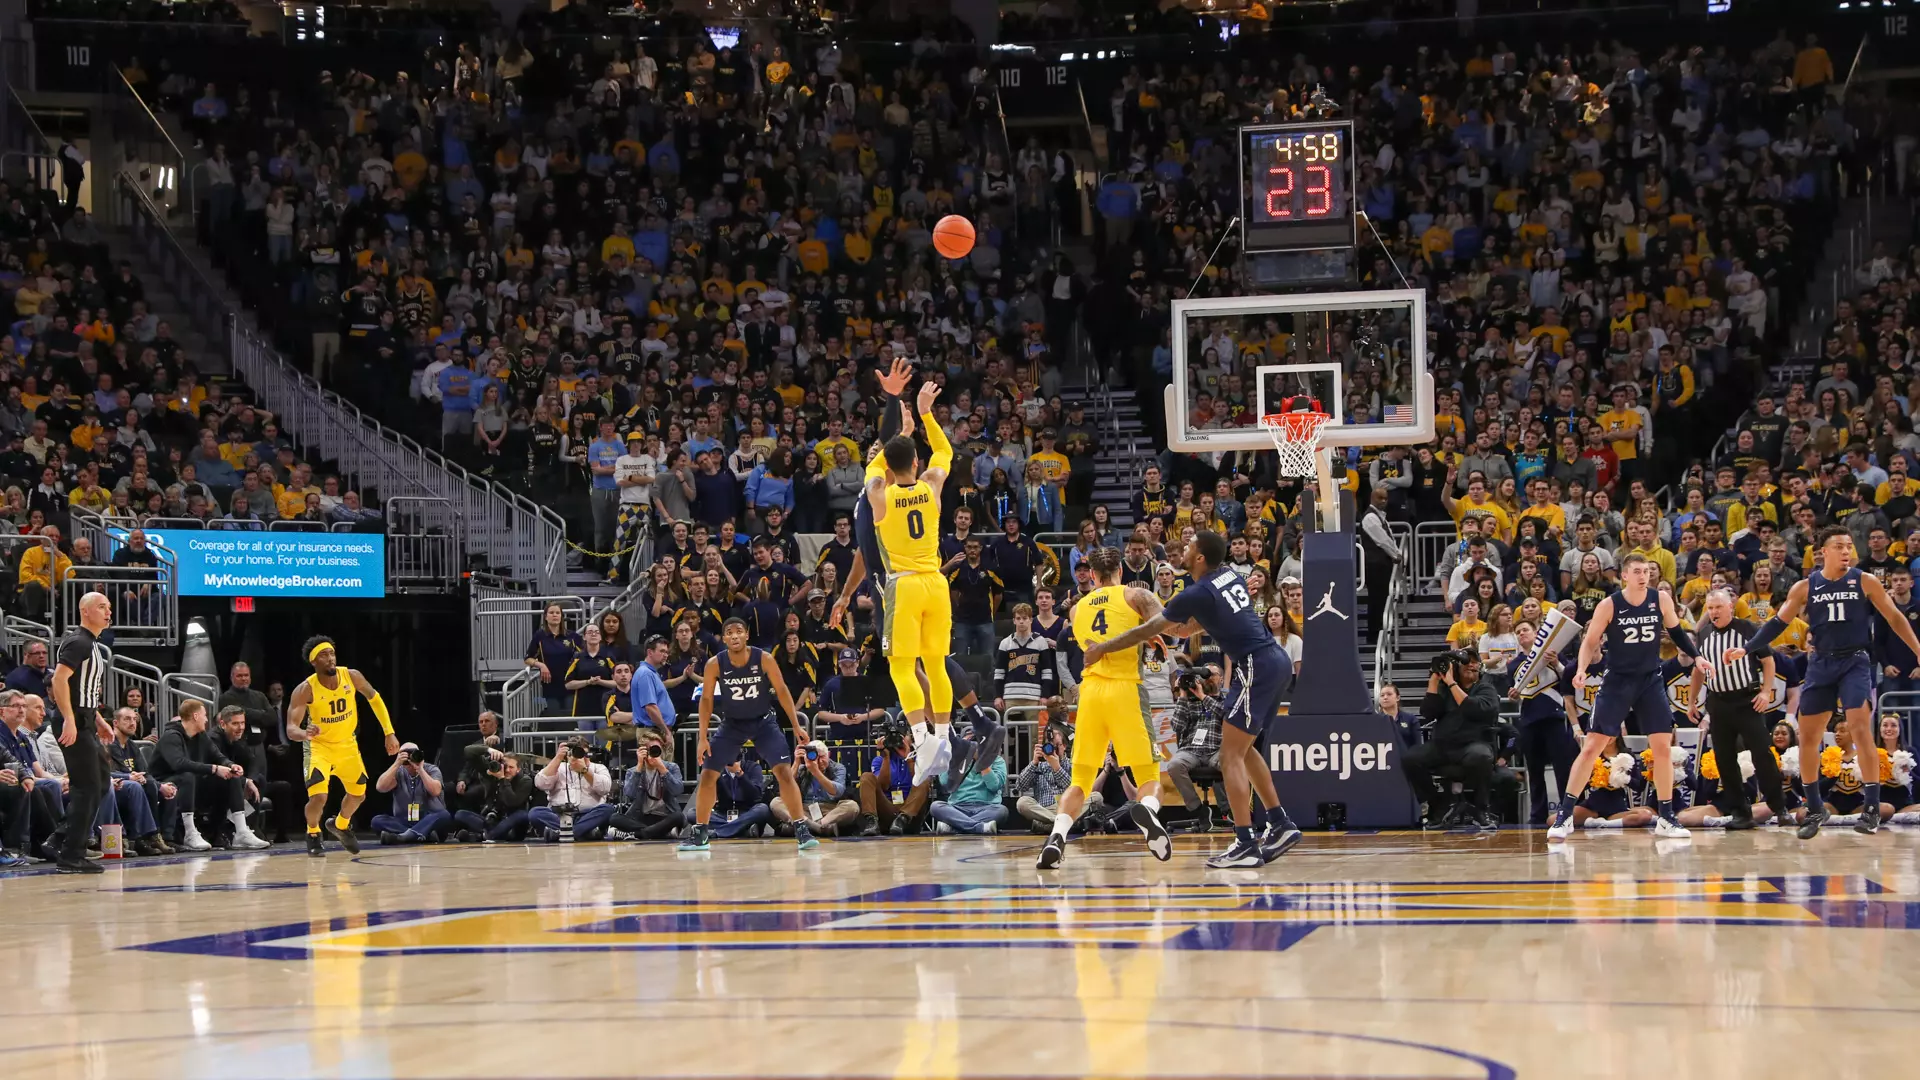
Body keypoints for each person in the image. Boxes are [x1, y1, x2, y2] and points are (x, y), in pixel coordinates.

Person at [1082, 530, 1302, 869]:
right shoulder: (1229, 573)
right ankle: (1281, 823)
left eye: (1189, 546)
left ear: (1199, 558)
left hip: (1254, 665)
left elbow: (1148, 630)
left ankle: (1244, 842)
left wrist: (1102, 648)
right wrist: (1179, 630)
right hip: (1275, 662)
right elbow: (1189, 628)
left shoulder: (1195, 592)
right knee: (1245, 750)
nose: (1183, 549)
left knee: (1230, 757)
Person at [1729, 525, 1920, 836]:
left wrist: (1918, 649)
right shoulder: (1806, 586)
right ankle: (1816, 808)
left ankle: (1871, 806)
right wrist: (1747, 648)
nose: (1847, 551)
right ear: (1824, 552)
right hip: (1820, 663)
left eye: (1849, 546)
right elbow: (1778, 622)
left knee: (1859, 726)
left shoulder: (1865, 580)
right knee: (1807, 736)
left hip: (1855, 660)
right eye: (1841, 546)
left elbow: (1894, 617)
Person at [1548, 553, 1708, 840]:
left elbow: (1678, 633)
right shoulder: (1609, 604)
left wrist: (1697, 657)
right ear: (1624, 575)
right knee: (1592, 746)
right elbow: (1590, 641)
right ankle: (1565, 815)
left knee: (1662, 748)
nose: (1643, 575)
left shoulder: (1661, 599)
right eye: (1636, 571)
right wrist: (1582, 669)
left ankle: (1667, 816)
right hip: (1618, 681)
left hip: (1650, 680)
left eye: (1646, 571)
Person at [1035, 547, 1170, 868]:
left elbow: (1099, 638)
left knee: (1079, 781)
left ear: (1091, 576)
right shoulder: (1135, 594)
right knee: (1150, 776)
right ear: (1120, 571)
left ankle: (1056, 837)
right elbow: (1165, 624)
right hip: (1126, 691)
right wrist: (1151, 637)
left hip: (1090, 693)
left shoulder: (1076, 611)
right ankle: (1147, 811)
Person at [865, 378, 957, 786]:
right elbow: (945, 451)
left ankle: (922, 741)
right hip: (936, 582)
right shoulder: (932, 487)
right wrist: (924, 414)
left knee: (902, 667)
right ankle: (944, 737)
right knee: (936, 665)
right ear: (916, 463)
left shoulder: (879, 495)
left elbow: (873, 469)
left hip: (903, 585)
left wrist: (899, 434)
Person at [679, 617, 817, 852]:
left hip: (763, 722)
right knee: (708, 774)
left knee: (784, 772)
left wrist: (796, 725)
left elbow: (782, 690)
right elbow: (707, 700)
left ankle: (801, 827)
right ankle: (700, 832)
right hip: (732, 724)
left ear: (747, 635)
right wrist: (702, 738)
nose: (734, 635)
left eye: (738, 631)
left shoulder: (764, 658)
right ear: (723, 638)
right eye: (729, 632)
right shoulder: (715, 663)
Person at [285, 635, 400, 856]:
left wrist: (389, 733)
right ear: (313, 662)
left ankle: (340, 824)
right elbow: (291, 728)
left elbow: (375, 699)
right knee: (319, 797)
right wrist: (304, 733)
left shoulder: (352, 676)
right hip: (319, 747)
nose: (330, 659)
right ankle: (312, 832)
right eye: (323, 655)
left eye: (332, 653)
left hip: (347, 744)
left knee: (359, 794)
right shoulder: (305, 689)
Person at [1686, 590, 1786, 829]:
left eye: (1718, 607)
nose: (1714, 612)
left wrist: (1765, 691)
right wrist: (1692, 702)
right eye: (1710, 608)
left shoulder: (1747, 629)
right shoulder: (1703, 633)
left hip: (1746, 700)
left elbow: (1768, 660)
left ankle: (1779, 806)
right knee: (1724, 759)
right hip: (1718, 703)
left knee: (1762, 753)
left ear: (1731, 606)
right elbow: (1699, 670)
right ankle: (1741, 812)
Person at [48, 591, 112, 873]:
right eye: (101, 607)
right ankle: (70, 855)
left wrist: (98, 720)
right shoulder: (79, 641)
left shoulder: (94, 644)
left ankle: (61, 839)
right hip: (72, 720)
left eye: (109, 607)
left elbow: (83, 691)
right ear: (85, 611)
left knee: (101, 783)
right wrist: (69, 719)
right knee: (86, 787)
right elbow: (59, 680)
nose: (108, 611)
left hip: (85, 718)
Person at [370, 742, 451, 844]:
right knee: (377, 820)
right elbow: (380, 787)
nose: (409, 758)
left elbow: (435, 791)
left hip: (429, 820)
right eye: (404, 754)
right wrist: (396, 764)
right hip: (405, 821)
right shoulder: (398, 772)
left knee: (443, 815)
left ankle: (405, 837)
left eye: (412, 753)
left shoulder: (431, 769)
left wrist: (420, 769)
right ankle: (423, 835)